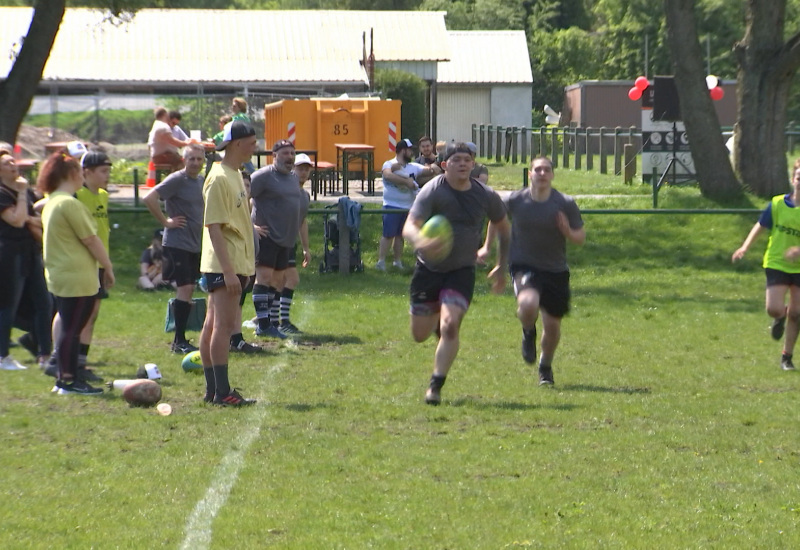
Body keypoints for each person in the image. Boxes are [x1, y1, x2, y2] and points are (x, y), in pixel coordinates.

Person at [402, 142, 510, 405]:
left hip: (462, 269)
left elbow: (504, 228)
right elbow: (409, 227)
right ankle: (437, 322)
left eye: (467, 160)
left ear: (473, 165)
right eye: (456, 160)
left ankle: (435, 386)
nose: (463, 164)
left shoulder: (485, 195)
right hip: (428, 269)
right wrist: (421, 241)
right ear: (444, 165)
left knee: (451, 326)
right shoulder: (433, 191)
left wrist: (501, 264)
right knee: (419, 334)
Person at [480, 157, 585, 386]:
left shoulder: (565, 203)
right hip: (524, 264)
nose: (542, 173)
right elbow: (496, 220)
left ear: (552, 175)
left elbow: (580, 238)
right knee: (528, 304)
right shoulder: (516, 199)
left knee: (553, 327)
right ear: (530, 174)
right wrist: (487, 248)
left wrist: (567, 231)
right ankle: (528, 331)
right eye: (538, 169)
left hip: (556, 270)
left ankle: (545, 367)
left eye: (547, 169)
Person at [38, 151, 115, 395]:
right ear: (72, 174)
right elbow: (91, 240)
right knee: (73, 329)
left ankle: (65, 377)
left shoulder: (53, 201)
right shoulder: (69, 203)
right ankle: (69, 380)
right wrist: (108, 267)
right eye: (80, 172)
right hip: (77, 275)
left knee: (70, 326)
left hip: (61, 273)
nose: (83, 176)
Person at [199, 120, 257, 406]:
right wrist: (229, 271)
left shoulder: (235, 173)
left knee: (213, 325)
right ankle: (222, 392)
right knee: (222, 327)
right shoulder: (219, 177)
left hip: (234, 262)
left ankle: (213, 392)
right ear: (236, 144)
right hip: (225, 264)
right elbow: (213, 227)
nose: (255, 147)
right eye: (251, 142)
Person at [732, 160, 800, 371]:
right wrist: (744, 247)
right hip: (776, 262)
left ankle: (786, 357)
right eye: (799, 177)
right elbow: (760, 226)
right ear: (792, 179)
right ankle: (780, 316)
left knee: (797, 314)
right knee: (773, 308)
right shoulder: (778, 204)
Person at [143, 143, 206, 353]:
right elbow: (149, 197)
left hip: (194, 242)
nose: (195, 163)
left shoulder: (201, 181)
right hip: (178, 242)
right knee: (185, 287)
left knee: (188, 288)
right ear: (184, 160)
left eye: (199, 159)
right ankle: (178, 341)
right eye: (191, 159)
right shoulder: (178, 179)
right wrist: (166, 222)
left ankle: (181, 339)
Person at [250, 139, 306, 339]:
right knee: (263, 278)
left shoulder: (292, 177)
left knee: (277, 281)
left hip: (286, 239)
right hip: (267, 236)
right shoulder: (263, 176)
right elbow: (242, 198)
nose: (289, 157)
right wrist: (251, 226)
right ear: (274, 156)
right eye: (285, 153)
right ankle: (263, 324)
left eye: (292, 153)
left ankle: (271, 323)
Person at [0, 151, 51, 370]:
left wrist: (26, 206)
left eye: (13, 160)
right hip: (10, 253)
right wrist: (21, 193)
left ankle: (45, 354)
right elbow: (18, 220)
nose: (13, 165)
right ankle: (2, 356)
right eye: (7, 163)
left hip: (31, 252)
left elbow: (40, 220)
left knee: (44, 303)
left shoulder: (27, 192)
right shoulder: (4, 193)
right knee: (8, 306)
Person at [268, 153, 312, 334]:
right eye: (300, 168)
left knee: (281, 281)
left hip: (289, 243)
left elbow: (301, 222)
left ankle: (273, 320)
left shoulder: (305, 195)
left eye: (306, 169)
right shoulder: (285, 190)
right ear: (293, 169)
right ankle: (279, 320)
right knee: (289, 279)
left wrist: (306, 248)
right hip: (278, 240)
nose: (303, 172)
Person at [377, 139, 437, 271]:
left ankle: (397, 262)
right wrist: (406, 182)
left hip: (407, 207)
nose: (411, 152)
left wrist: (436, 165)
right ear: (403, 150)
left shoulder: (413, 166)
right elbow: (388, 175)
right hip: (391, 205)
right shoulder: (389, 163)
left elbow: (429, 170)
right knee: (388, 235)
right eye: (409, 150)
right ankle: (381, 261)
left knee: (400, 236)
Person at [148, 107, 193, 171]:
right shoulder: (163, 127)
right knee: (185, 162)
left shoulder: (157, 124)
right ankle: (181, 179)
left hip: (160, 156)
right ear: (165, 114)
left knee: (179, 158)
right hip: (162, 157)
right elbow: (172, 141)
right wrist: (187, 143)